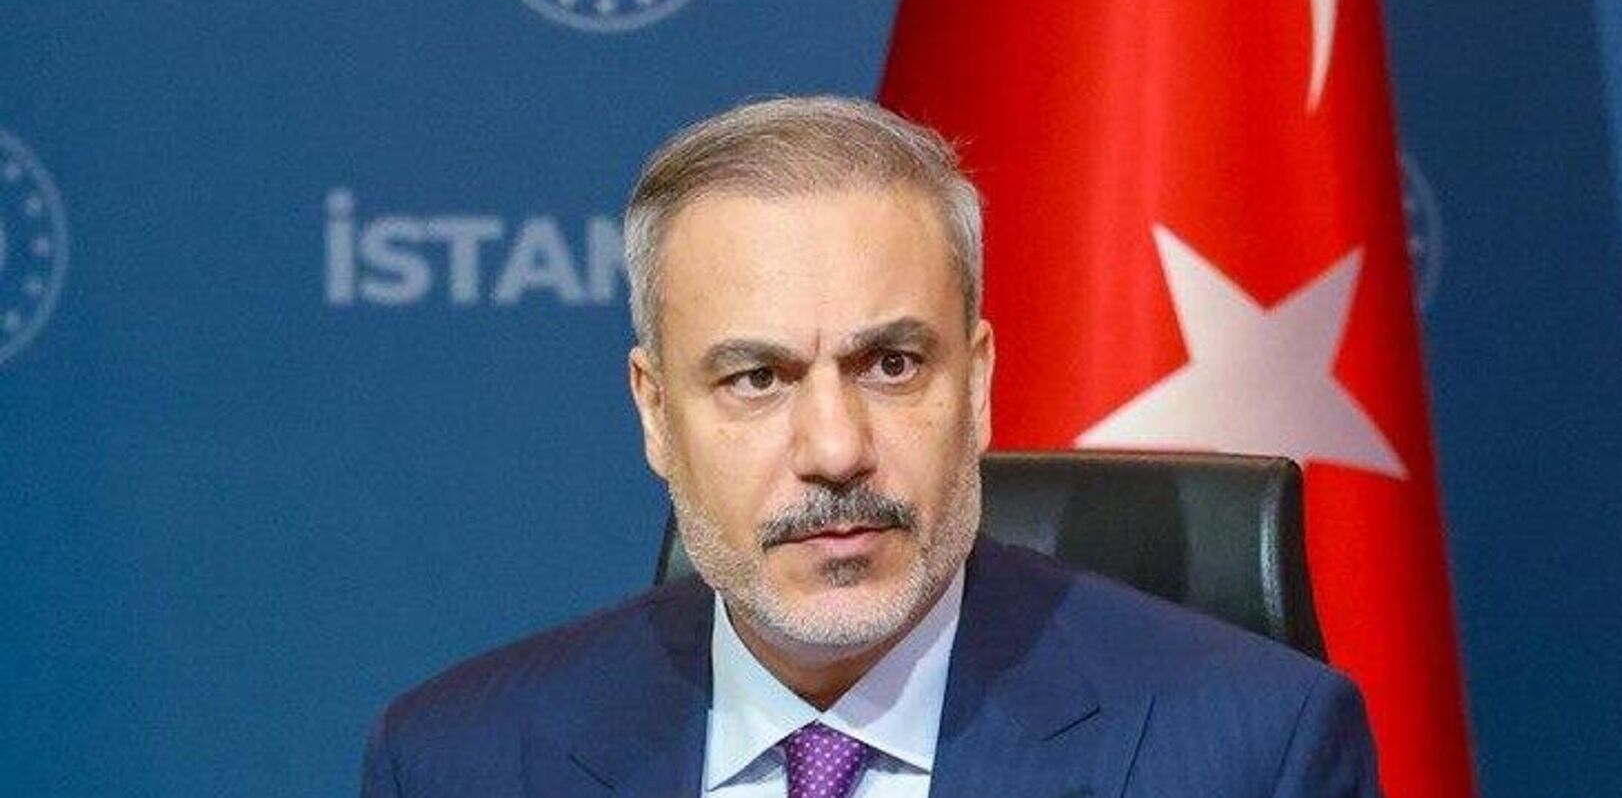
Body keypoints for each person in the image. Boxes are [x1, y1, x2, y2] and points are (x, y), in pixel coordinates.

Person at [361, 95, 1382, 797]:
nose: (836, 448)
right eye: (757, 378)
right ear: (656, 415)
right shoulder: (464, 762)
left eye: (890, 364)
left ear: (976, 384)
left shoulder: (1249, 754)